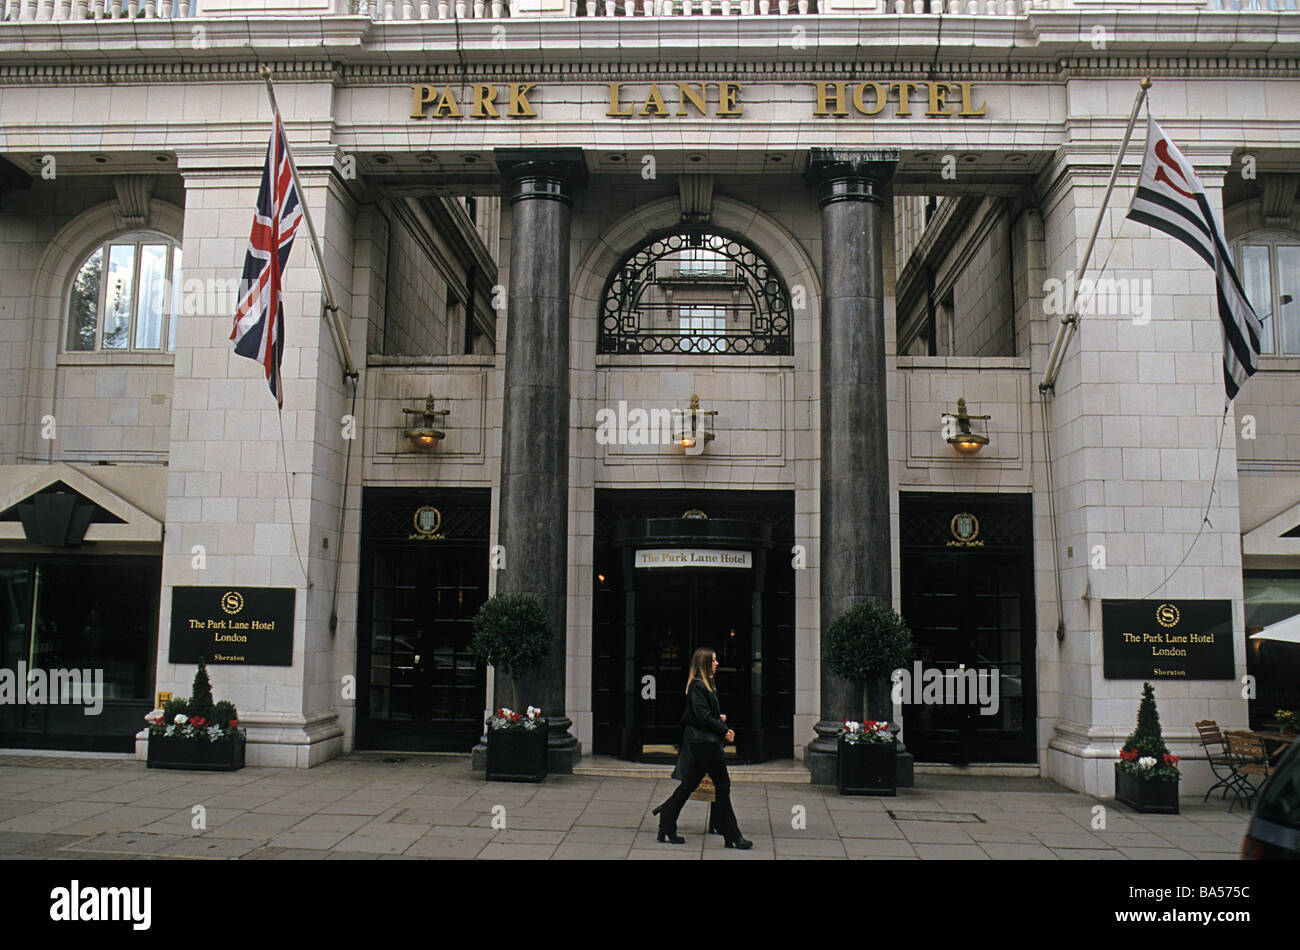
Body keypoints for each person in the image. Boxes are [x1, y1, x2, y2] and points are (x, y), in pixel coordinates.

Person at [652, 647, 752, 849]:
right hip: (705, 743)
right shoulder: (698, 686)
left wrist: (718, 719)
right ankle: (732, 834)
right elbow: (702, 717)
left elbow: (704, 714)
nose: (717, 664)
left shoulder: (704, 685)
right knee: (723, 786)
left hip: (703, 742)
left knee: (689, 784)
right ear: (705, 663)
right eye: (713, 660)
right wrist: (724, 730)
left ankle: (667, 821)